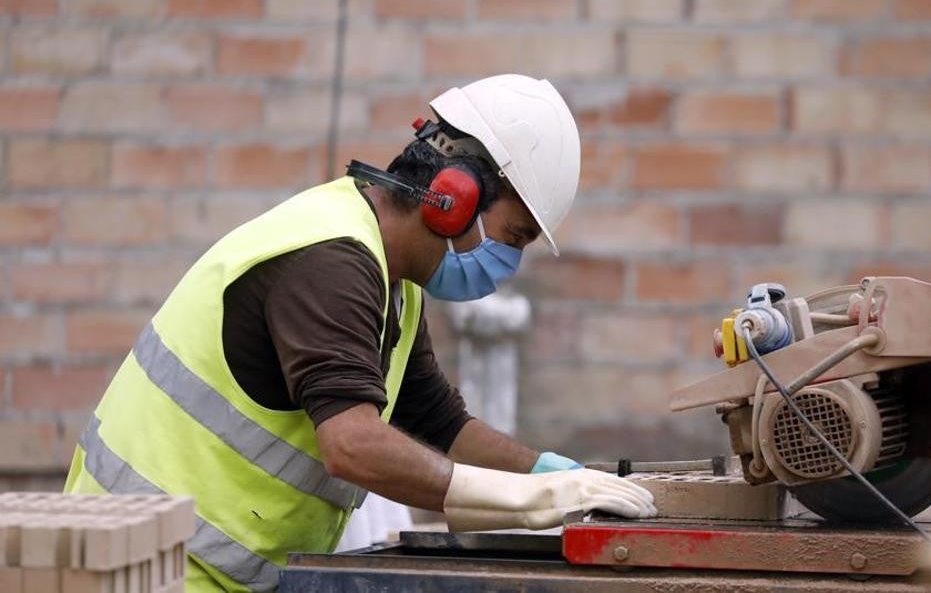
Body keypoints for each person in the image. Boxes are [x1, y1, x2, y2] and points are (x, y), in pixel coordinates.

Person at [64, 74, 657, 592]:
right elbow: (352, 445)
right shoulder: (332, 262)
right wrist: (532, 502)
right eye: (516, 235)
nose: (509, 260)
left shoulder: (393, 275)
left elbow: (439, 424)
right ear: (455, 197)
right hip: (141, 569)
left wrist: (557, 475)